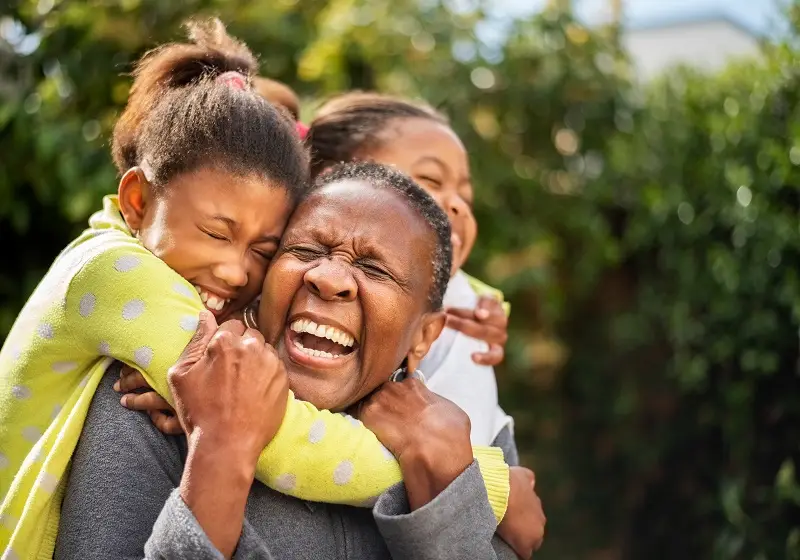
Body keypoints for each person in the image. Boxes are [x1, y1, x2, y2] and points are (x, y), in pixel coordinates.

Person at [0, 22, 509, 559]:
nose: (239, 272)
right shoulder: (147, 391)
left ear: (426, 331)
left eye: (261, 250)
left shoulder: (459, 396)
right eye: (306, 250)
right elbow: (273, 434)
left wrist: (452, 476)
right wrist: (467, 482)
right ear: (138, 203)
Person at [55, 162, 545, 559]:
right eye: (306, 249)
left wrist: (445, 490)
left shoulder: (461, 446)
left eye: (373, 268)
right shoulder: (153, 400)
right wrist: (219, 454)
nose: (329, 278)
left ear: (424, 337)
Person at [305, 92, 513, 445]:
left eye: (466, 196)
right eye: (431, 180)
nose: (459, 206)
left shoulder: (463, 322)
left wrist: (491, 303)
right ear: (333, 180)